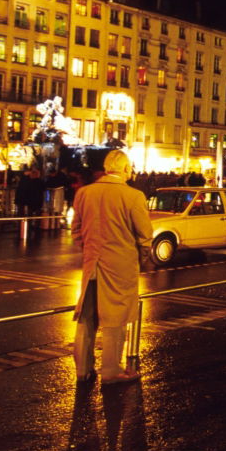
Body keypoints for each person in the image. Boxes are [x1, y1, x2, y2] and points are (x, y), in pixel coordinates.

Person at [71, 150, 154, 385]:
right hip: (120, 265)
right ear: (126, 169)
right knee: (115, 319)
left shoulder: (84, 193)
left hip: (92, 264)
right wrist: (138, 258)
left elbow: (76, 229)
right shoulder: (133, 196)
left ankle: (83, 369)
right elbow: (145, 236)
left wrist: (89, 250)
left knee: (86, 318)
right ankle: (111, 370)